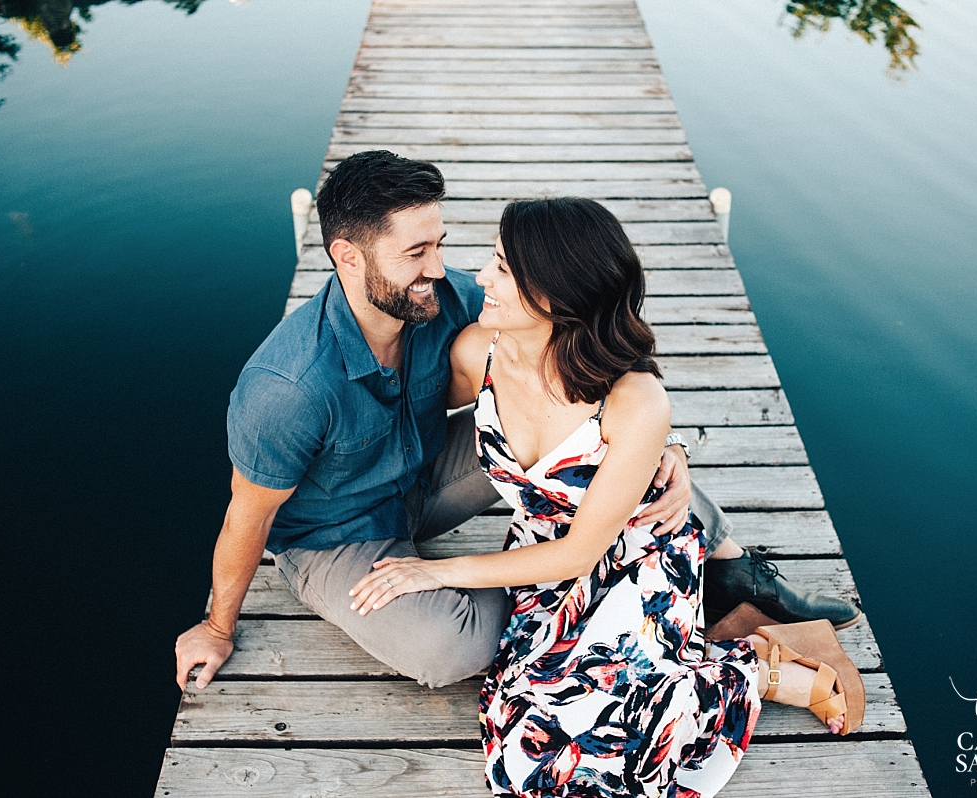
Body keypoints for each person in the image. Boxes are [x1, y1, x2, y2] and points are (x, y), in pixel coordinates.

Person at [174, 150, 857, 695]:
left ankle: (730, 572)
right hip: (334, 536)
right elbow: (247, 522)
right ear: (349, 257)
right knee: (452, 651)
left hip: (422, 478)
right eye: (417, 254)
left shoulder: (436, 298)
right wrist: (214, 624)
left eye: (438, 244)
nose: (441, 269)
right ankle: (577, 586)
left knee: (619, 453)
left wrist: (663, 444)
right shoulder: (286, 388)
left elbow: (580, 331)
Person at [348, 198, 864, 797]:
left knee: (607, 751)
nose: (482, 279)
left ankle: (760, 665)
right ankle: (745, 655)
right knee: (530, 753)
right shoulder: (475, 353)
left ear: (557, 294)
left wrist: (434, 574)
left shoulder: (632, 399)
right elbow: (400, 414)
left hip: (634, 559)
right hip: (539, 559)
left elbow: (579, 554)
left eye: (504, 270)